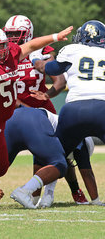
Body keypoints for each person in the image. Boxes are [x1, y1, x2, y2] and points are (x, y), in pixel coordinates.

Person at [0, 15, 86, 207]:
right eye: (10, 34)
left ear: (28, 32)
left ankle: (74, 189)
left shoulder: (33, 51)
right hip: (12, 110)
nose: (13, 38)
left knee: (59, 151)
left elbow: (58, 79)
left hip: (39, 110)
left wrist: (46, 94)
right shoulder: (4, 55)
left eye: (17, 33)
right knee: (2, 154)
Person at [0, 0, 73, 181]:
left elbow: (30, 46)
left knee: (0, 169)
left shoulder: (9, 56)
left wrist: (55, 37)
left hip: (4, 120)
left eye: (2, 45)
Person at [42, 20, 105, 206]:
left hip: (74, 109)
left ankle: (44, 195)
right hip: (102, 106)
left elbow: (52, 69)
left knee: (56, 154)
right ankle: (94, 199)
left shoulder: (72, 50)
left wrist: (37, 61)